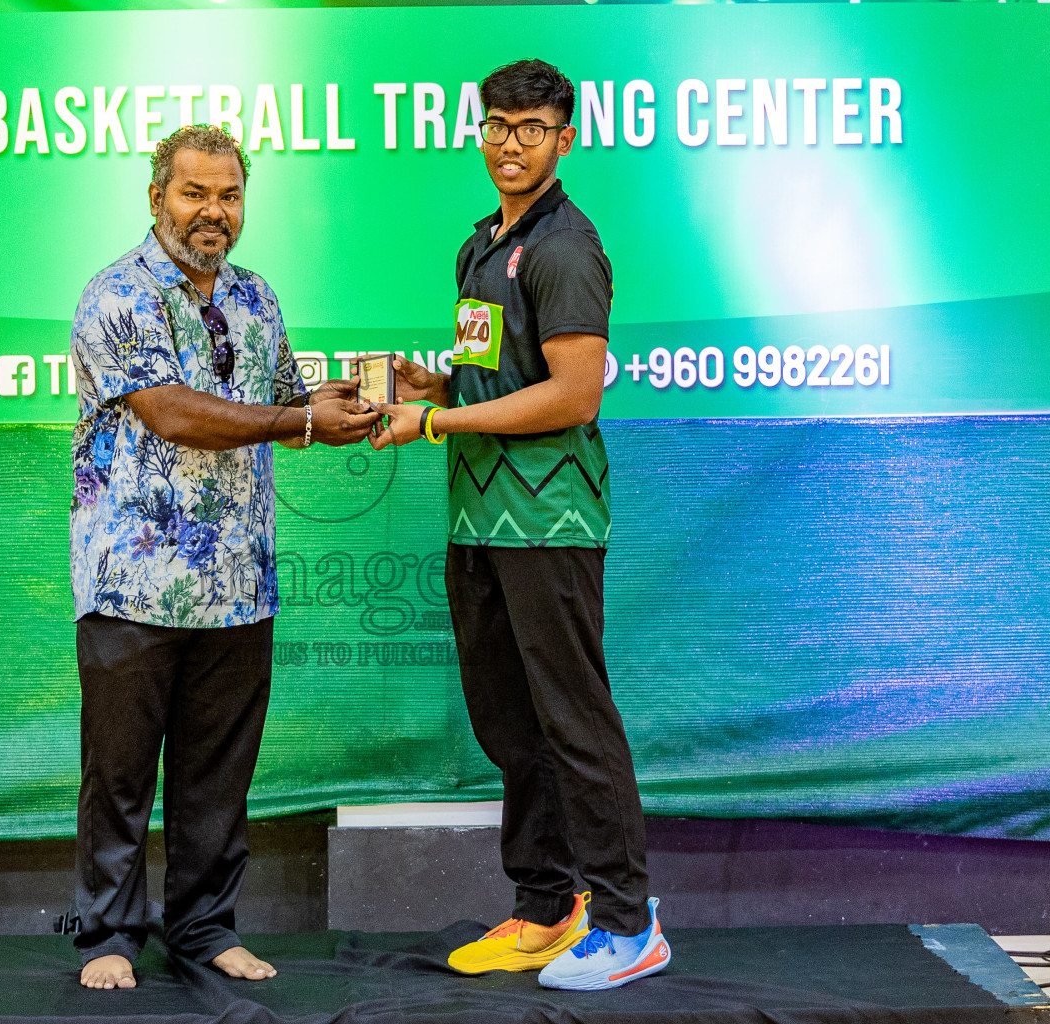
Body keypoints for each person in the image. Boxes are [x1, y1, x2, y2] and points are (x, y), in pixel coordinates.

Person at [370, 60, 670, 991]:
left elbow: (575, 394)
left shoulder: (566, 247)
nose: (510, 142)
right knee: (511, 724)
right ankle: (547, 909)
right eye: (496, 125)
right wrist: (441, 387)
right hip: (480, 520)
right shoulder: (479, 246)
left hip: (551, 522)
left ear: (564, 137)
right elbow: (500, 373)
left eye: (531, 127)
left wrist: (439, 421)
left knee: (575, 720)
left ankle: (629, 924)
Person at [68, 124, 378, 990]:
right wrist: (297, 419)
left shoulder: (256, 296)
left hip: (240, 586)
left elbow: (281, 403)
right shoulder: (117, 292)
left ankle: (204, 930)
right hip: (133, 583)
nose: (214, 212)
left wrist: (342, 403)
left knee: (217, 780)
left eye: (229, 195)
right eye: (194, 193)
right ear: (157, 196)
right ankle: (108, 938)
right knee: (120, 779)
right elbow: (173, 413)